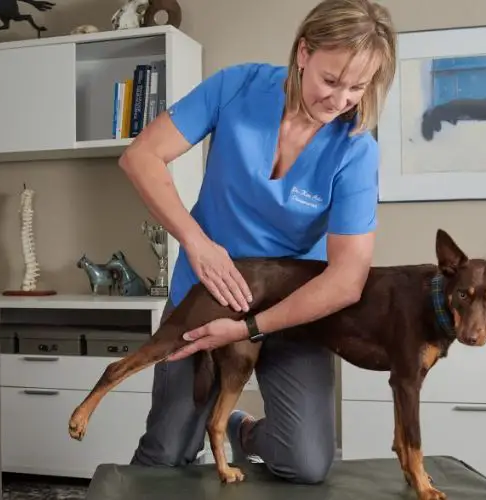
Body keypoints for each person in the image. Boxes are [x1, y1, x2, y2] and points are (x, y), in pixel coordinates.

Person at [118, 0, 397, 485]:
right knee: (167, 451)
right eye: (332, 81)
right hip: (206, 296)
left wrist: (248, 328)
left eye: (358, 87)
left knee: (306, 461)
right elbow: (141, 156)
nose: (341, 100)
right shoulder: (238, 86)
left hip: (292, 310)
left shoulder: (356, 149)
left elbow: (348, 279)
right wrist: (197, 243)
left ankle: (242, 434)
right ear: (303, 52)